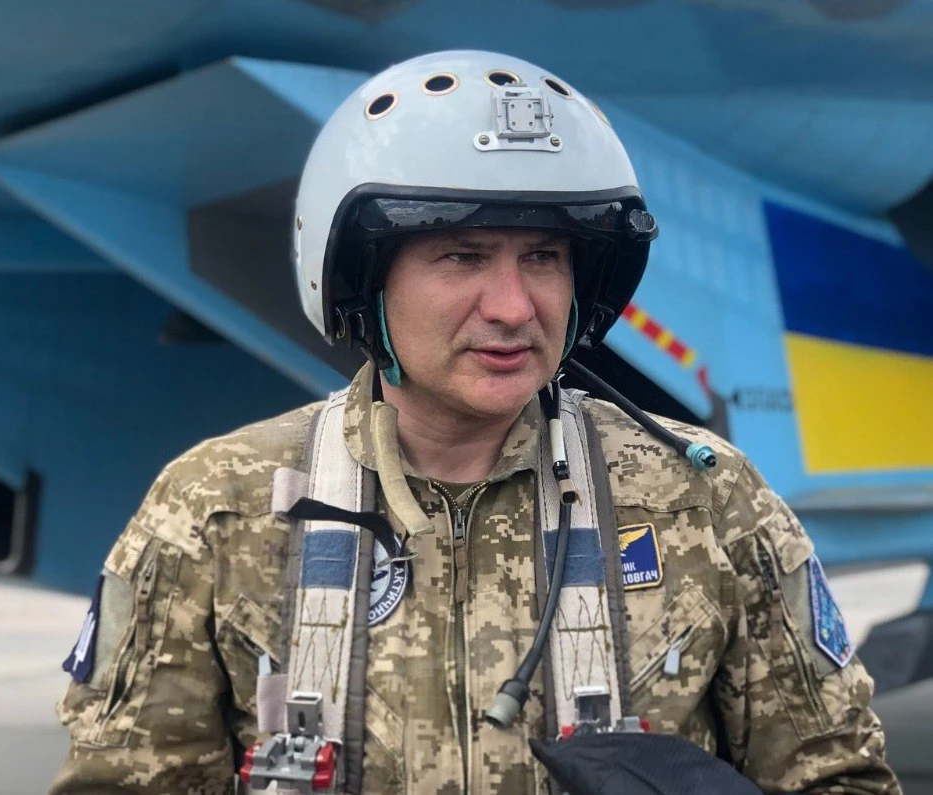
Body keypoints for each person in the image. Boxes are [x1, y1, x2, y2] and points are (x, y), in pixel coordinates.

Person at [51, 50, 900, 794]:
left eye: (543, 258)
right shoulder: (218, 507)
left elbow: (837, 778)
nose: (512, 307)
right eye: (462, 256)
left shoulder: (699, 498)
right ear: (362, 282)